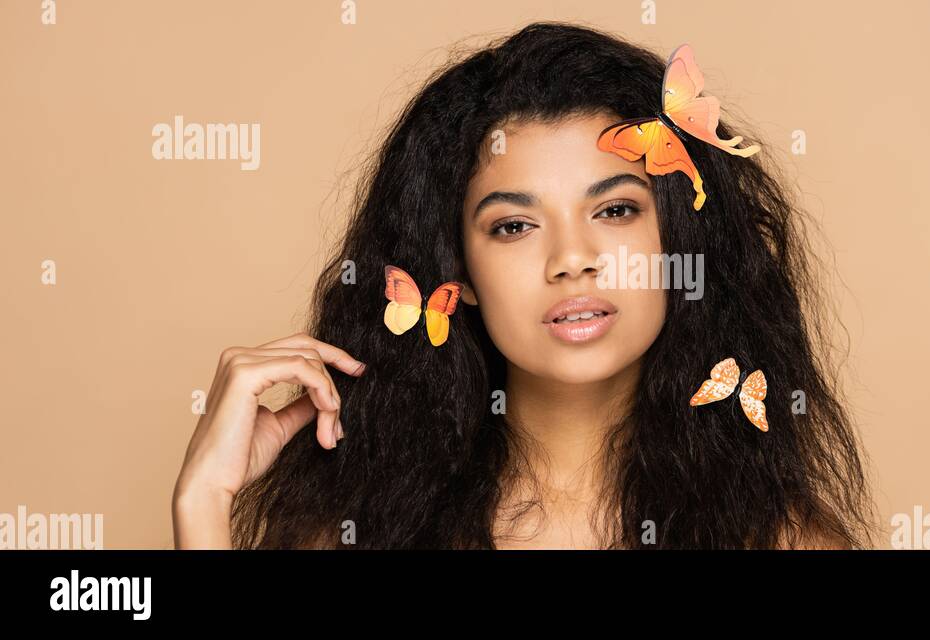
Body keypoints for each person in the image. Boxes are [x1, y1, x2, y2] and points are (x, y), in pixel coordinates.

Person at [172, 22, 877, 549]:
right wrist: (205, 504)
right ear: (457, 275)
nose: (572, 259)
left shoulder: (781, 541)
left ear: (677, 242)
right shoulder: (356, 534)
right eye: (513, 226)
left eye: (615, 210)